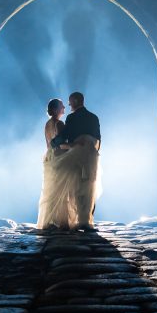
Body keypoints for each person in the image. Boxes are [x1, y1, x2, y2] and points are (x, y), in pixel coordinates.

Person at [50, 92, 101, 231]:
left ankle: (79, 219)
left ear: (77, 101)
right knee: (89, 186)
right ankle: (87, 220)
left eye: (70, 101)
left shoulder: (72, 118)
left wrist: (54, 143)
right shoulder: (94, 117)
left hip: (76, 157)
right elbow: (99, 139)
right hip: (91, 157)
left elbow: (65, 135)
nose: (68, 105)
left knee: (77, 187)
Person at [36, 98, 78, 230]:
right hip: (59, 158)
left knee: (52, 189)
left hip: (49, 157)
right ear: (55, 109)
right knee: (62, 190)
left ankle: (51, 220)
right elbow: (60, 145)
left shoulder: (47, 124)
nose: (64, 107)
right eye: (61, 106)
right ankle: (61, 221)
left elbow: (49, 144)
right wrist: (75, 146)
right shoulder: (59, 124)